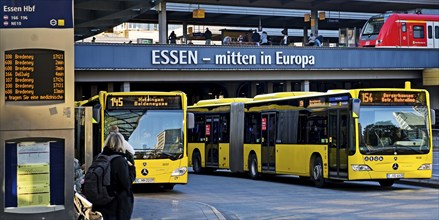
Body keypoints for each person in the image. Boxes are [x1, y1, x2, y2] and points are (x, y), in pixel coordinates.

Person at [92, 132, 136, 220]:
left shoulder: (99, 158)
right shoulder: (120, 161)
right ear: (121, 144)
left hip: (100, 202)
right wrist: (132, 169)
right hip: (117, 205)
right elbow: (126, 184)